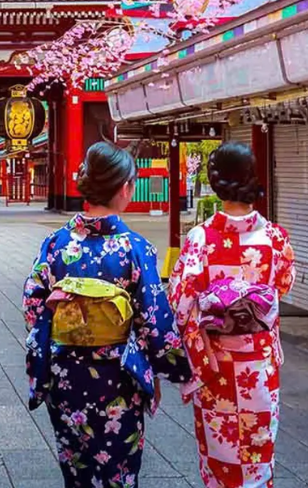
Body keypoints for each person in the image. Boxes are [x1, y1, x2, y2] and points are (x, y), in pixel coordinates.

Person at [23, 142, 191, 488]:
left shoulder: (56, 243)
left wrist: (64, 329)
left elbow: (33, 303)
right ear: (125, 187)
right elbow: (153, 317)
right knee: (120, 471)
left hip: (65, 371)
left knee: (77, 468)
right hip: (118, 374)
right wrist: (168, 367)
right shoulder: (135, 247)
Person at [169, 142, 296, 488]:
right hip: (258, 365)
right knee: (257, 456)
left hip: (217, 366)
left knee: (219, 459)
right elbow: (282, 286)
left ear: (214, 182)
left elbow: (180, 303)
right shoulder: (274, 238)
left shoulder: (200, 238)